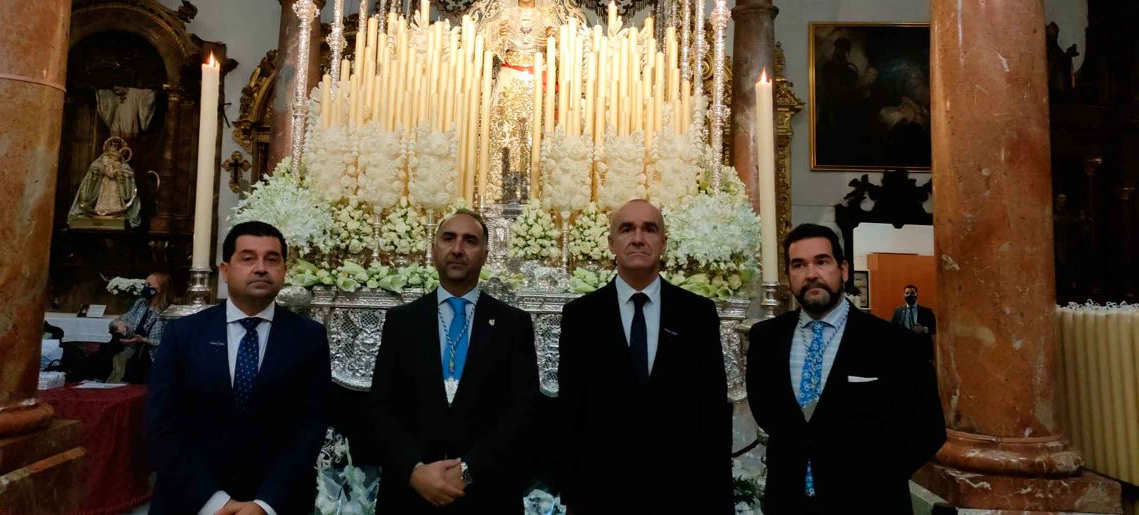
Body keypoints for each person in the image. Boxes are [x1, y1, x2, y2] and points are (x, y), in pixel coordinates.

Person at [745, 224, 946, 514]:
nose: (811, 274)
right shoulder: (766, 338)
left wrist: (876, 480)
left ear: (844, 270)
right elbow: (767, 412)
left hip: (868, 503)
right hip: (788, 501)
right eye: (798, 265)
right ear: (788, 275)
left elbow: (928, 429)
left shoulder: (893, 342)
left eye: (822, 261)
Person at [558, 199, 732, 514]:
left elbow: (713, 413)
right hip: (601, 494)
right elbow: (571, 413)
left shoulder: (698, 315)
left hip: (681, 493)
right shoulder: (580, 317)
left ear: (663, 243)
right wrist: (574, 495)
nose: (638, 238)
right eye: (627, 229)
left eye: (649, 229)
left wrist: (718, 499)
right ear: (612, 243)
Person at [146, 221, 331, 515]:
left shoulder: (309, 337)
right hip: (191, 501)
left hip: (276, 503)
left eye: (272, 259)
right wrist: (216, 502)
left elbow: (311, 427)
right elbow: (160, 425)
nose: (260, 268)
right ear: (224, 270)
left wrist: (264, 504)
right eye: (247, 258)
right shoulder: (183, 334)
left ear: (285, 269)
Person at [369, 209, 540, 514]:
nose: (458, 249)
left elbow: (522, 410)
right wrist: (415, 470)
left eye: (470, 241)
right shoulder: (402, 322)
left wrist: (468, 471)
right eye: (449, 238)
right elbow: (381, 407)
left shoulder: (512, 324)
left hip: (487, 493)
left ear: (485, 255)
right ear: (434, 249)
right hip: (410, 494)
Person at [108, 271, 172, 383]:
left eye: (149, 285)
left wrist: (144, 340)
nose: (145, 288)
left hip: (152, 357)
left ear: (160, 289)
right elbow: (122, 319)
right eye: (144, 284)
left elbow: (168, 341)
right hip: (133, 352)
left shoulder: (169, 311)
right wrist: (118, 325)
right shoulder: (141, 303)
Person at [891, 284, 937, 362]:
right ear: (903, 295)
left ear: (917, 295)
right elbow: (892, 329)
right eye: (907, 293)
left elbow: (935, 328)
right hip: (903, 352)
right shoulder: (898, 311)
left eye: (912, 293)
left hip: (922, 352)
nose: (909, 295)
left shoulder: (927, 312)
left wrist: (924, 329)